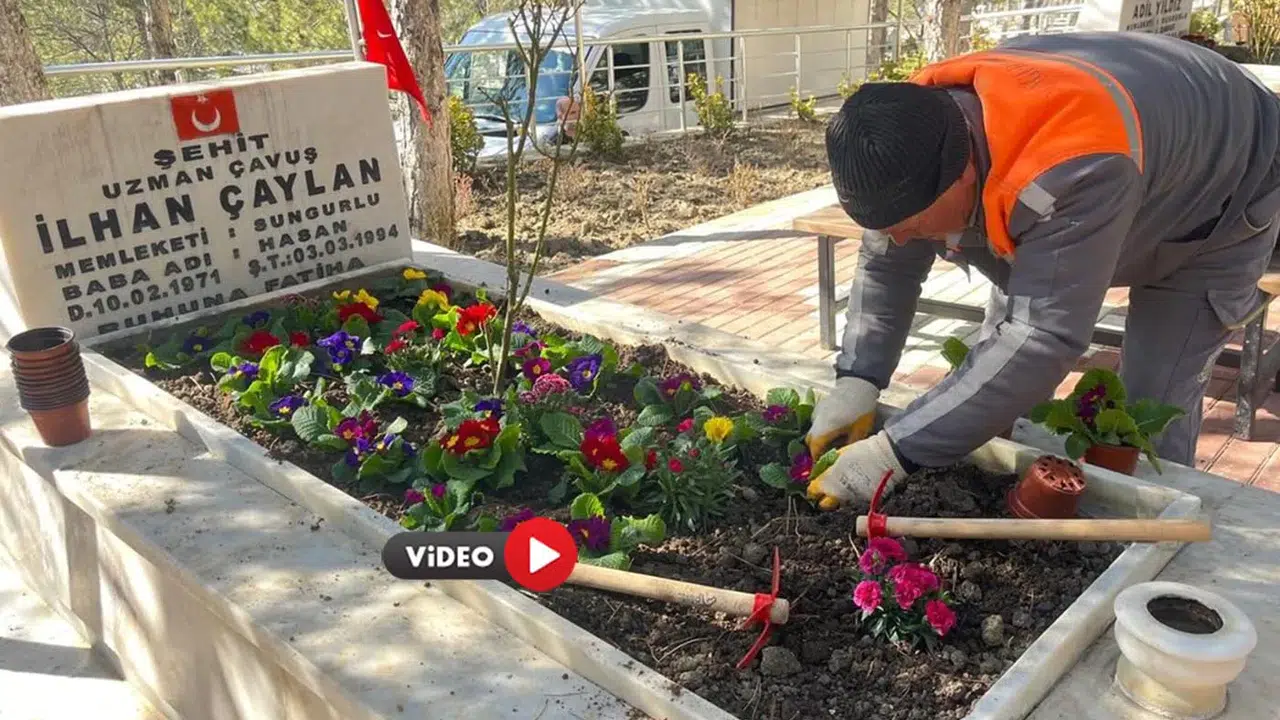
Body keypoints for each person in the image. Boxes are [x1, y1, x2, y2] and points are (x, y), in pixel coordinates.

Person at [806, 31, 1280, 508]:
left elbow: (1042, 339)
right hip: (1137, 151)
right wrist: (858, 379)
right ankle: (1024, 501)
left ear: (964, 174)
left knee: (1149, 408)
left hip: (1219, 199)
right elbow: (889, 266)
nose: (902, 239)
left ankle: (1152, 545)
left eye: (910, 225)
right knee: (1000, 368)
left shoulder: (1070, 166)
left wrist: (893, 453)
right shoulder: (909, 134)